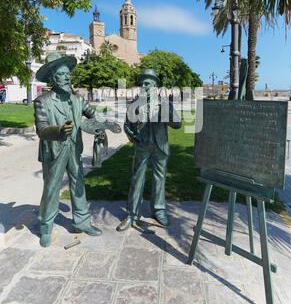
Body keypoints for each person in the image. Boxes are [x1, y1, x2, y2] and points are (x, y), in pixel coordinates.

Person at [34, 52, 102, 247]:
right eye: (62, 74)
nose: (67, 77)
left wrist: (96, 128)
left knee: (78, 184)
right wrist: (59, 130)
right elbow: (41, 130)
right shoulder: (42, 101)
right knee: (51, 188)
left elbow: (92, 116)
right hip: (54, 150)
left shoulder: (78, 99)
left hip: (74, 149)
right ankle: (46, 227)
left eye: (68, 73)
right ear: (52, 78)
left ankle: (82, 222)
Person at [116, 68, 182, 232]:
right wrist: (134, 137)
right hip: (142, 146)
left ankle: (159, 211)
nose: (143, 85)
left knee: (159, 179)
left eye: (147, 83)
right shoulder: (135, 104)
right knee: (137, 179)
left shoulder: (165, 103)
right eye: (142, 83)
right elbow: (127, 125)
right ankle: (132, 214)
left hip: (160, 146)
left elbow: (177, 124)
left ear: (155, 86)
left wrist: (168, 112)